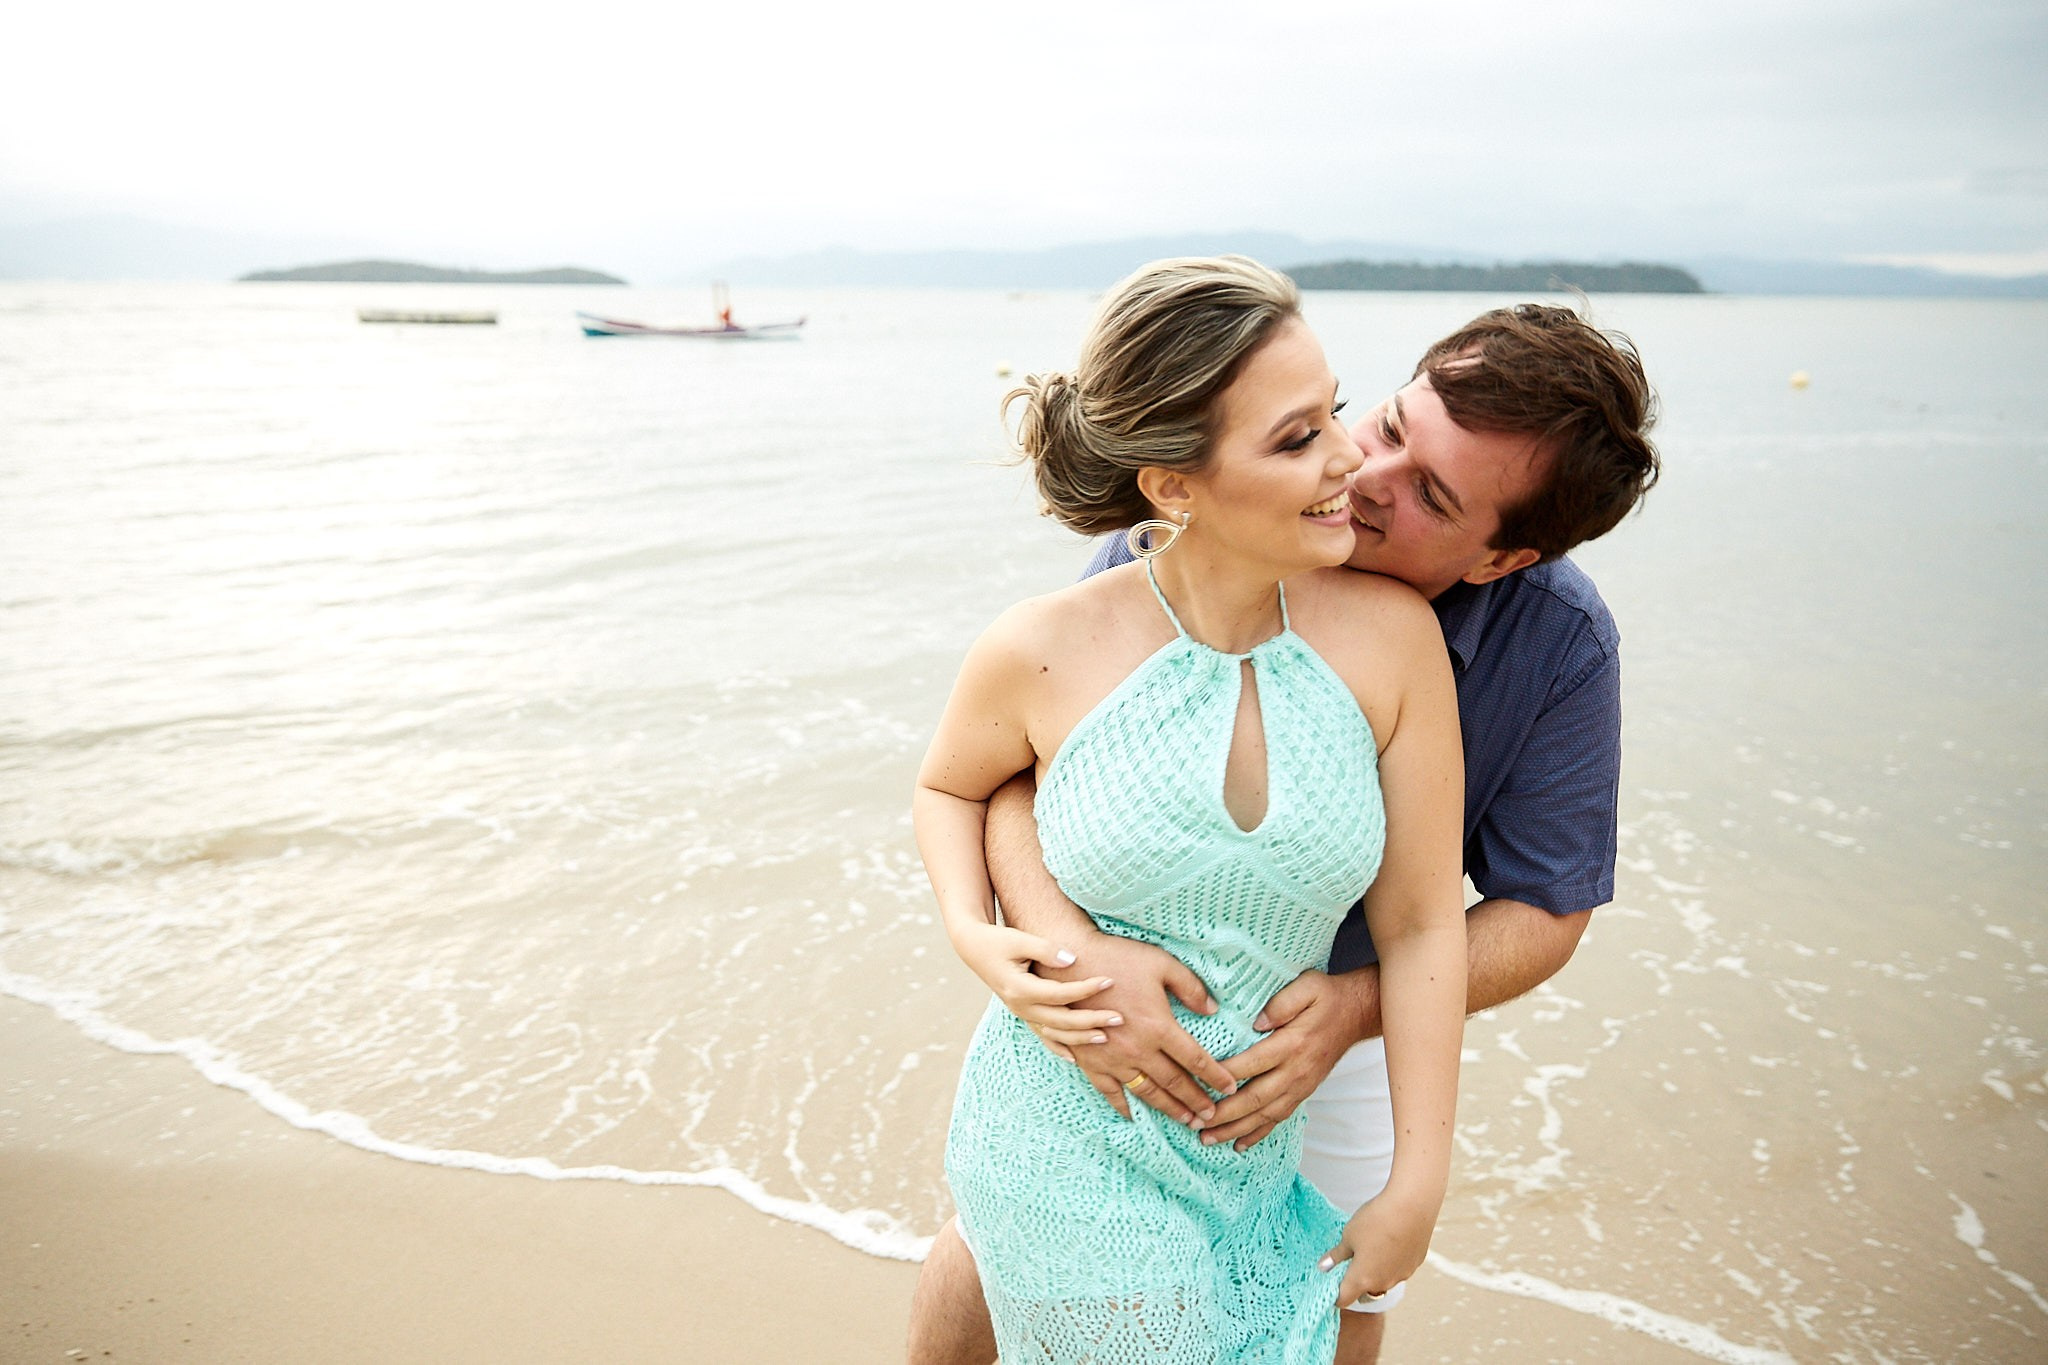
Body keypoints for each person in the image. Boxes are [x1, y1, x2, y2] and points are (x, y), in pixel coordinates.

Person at [908, 300, 1659, 1365]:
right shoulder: (1187, 534)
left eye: (1428, 494)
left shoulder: (1552, 644)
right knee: (1002, 1256)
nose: (1360, 471)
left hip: (1348, 1015)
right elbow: (1017, 775)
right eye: (1386, 424)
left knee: (1314, 1312)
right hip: (1113, 992)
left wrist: (1348, 1018)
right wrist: (1071, 957)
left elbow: (1539, 910)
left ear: (1500, 559)